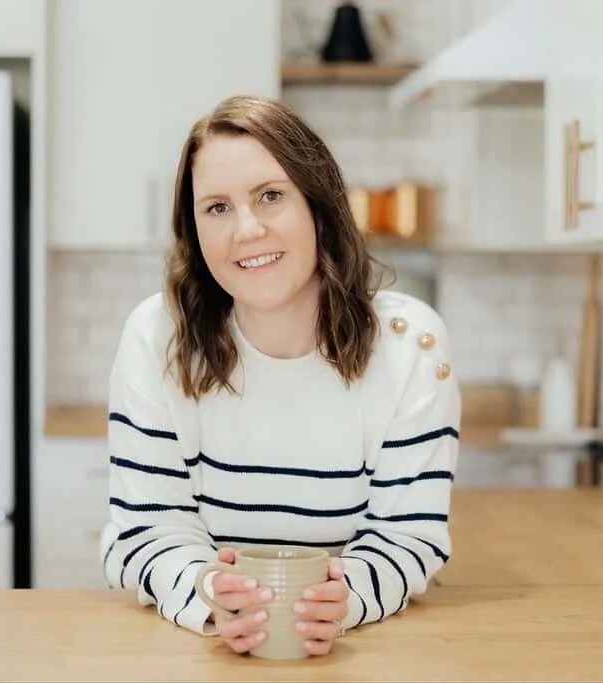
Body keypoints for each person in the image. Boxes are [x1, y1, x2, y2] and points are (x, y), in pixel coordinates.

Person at [99, 94, 461, 657]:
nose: (247, 229)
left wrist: (345, 601)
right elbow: (146, 528)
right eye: (216, 207)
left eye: (271, 196)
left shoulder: (408, 345)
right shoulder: (158, 337)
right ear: (193, 231)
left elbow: (408, 535)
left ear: (319, 207)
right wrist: (207, 592)